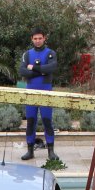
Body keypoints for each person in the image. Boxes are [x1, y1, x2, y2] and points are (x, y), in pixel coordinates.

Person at [19, 28, 58, 161]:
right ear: (32, 39)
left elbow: (52, 68)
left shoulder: (50, 53)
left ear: (44, 38)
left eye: (40, 38)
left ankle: (51, 152)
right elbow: (22, 71)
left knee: (47, 121)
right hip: (30, 92)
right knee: (31, 121)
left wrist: (34, 68)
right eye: (35, 39)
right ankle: (30, 151)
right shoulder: (27, 54)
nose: (37, 41)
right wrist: (42, 71)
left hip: (46, 91)